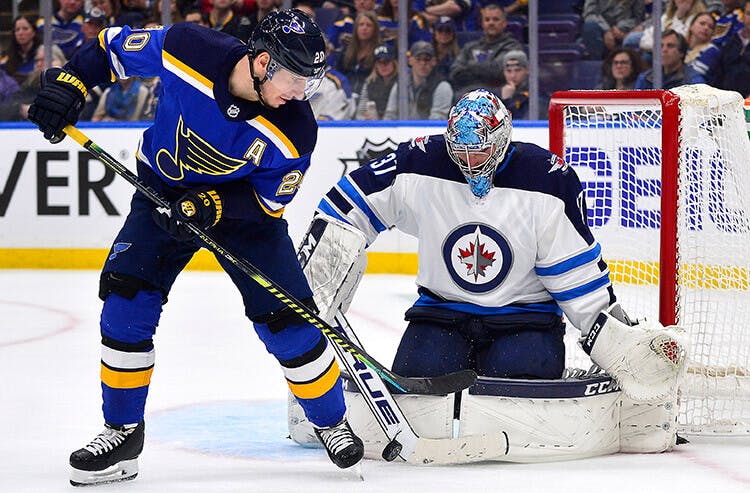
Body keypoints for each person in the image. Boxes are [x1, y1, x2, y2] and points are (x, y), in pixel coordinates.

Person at [26, 9, 364, 486]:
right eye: (293, 78)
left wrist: (211, 204)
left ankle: (331, 421)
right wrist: (70, 84)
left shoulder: (296, 129)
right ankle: (122, 435)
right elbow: (109, 48)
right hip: (161, 195)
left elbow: (267, 204)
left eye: (309, 84)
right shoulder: (188, 48)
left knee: (289, 323)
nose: (298, 94)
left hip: (244, 221)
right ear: (263, 61)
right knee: (124, 304)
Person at [314, 88, 686, 390]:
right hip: (443, 314)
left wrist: (613, 335)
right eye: (461, 152)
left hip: (526, 320)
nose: (470, 162)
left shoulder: (547, 181)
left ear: (503, 138)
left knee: (519, 403)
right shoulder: (421, 163)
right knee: (414, 394)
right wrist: (320, 261)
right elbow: (349, 203)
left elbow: (574, 275)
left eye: (480, 151)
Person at [449, 3, 523, 97]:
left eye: (495, 19)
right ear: (482, 23)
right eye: (487, 20)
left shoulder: (512, 47)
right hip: (467, 97)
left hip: (497, 98)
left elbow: (498, 71)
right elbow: (455, 72)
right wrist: (484, 70)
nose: (491, 23)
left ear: (504, 23)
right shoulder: (470, 47)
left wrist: (470, 65)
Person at [383, 41, 453, 119]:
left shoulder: (442, 86)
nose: (423, 63)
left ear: (434, 61)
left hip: (429, 130)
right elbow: (390, 115)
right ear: (410, 61)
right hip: (402, 130)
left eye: (427, 59)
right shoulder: (401, 84)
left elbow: (437, 119)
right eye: (418, 59)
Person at [708, 0, 750, 97]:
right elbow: (716, 73)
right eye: (749, 13)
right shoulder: (731, 41)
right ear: (743, 16)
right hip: (725, 101)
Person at [334, 10, 381, 95]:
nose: (364, 28)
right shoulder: (346, 50)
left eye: (369, 25)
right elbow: (338, 73)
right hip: (345, 94)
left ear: (375, 30)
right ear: (356, 28)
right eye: (361, 25)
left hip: (368, 95)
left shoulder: (379, 51)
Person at [494, 49, 547, 120]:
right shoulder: (495, 95)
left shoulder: (536, 96)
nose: (513, 75)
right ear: (504, 72)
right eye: (509, 71)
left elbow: (525, 124)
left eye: (518, 70)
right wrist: (505, 100)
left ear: (527, 70)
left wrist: (507, 101)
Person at [355, 43, 398, 119]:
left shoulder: (402, 82)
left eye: (386, 62)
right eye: (379, 62)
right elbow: (360, 113)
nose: (383, 66)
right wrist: (365, 119)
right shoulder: (369, 83)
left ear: (394, 63)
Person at [1, 15, 41, 85]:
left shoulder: (42, 54)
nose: (20, 33)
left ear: (34, 32)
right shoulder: (7, 58)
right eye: (17, 30)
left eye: (25, 29)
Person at [432, 15, 460, 80]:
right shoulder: (428, 53)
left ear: (453, 34)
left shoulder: (459, 56)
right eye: (440, 30)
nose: (444, 33)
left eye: (448, 30)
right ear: (435, 33)